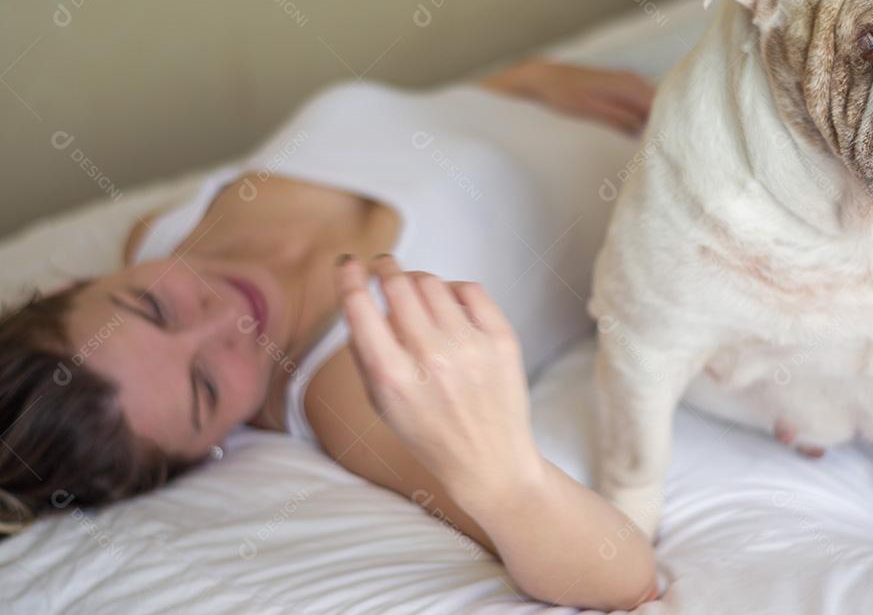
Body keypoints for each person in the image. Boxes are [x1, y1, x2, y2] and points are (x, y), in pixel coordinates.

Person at [0, 59, 660, 610]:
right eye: (204, 385)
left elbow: (405, 132)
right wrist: (504, 478)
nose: (225, 317)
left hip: (639, 90)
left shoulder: (159, 229)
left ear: (71, 287)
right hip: (707, 163)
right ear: (206, 451)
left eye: (152, 307)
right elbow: (623, 572)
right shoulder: (358, 388)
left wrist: (516, 86)